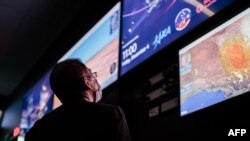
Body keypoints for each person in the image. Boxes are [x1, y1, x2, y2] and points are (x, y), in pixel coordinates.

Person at [25, 59, 131, 141]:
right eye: (93, 75)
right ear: (87, 82)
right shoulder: (111, 114)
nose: (97, 80)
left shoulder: (37, 130)